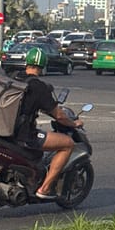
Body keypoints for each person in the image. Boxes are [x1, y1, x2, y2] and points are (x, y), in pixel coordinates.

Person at [12, 46, 84, 200]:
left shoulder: (13, 78)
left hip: (4, 130)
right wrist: (74, 124)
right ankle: (44, 189)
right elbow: (59, 116)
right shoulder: (38, 87)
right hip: (24, 135)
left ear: (26, 62)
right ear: (43, 65)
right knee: (68, 144)